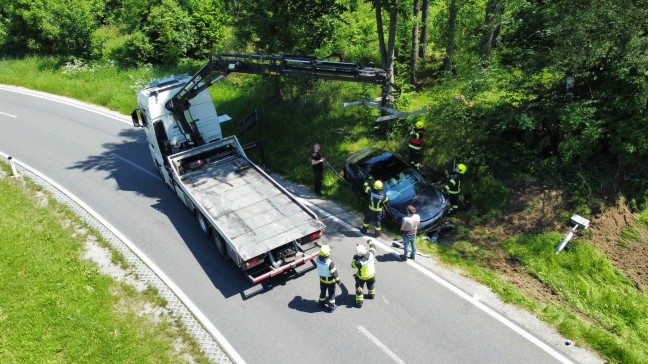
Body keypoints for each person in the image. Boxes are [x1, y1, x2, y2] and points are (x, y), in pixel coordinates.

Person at [314, 244, 341, 312]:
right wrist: (338, 281)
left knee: (323, 292)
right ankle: (331, 307)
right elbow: (334, 274)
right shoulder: (329, 262)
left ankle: (321, 304)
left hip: (322, 280)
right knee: (331, 294)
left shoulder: (317, 259)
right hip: (330, 282)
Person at [351, 240, 376, 308]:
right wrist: (370, 242)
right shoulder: (370, 254)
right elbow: (373, 247)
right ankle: (371, 295)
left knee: (359, 289)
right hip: (371, 275)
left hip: (362, 278)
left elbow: (352, 265)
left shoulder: (359, 262)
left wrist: (355, 257)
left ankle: (359, 302)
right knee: (371, 286)